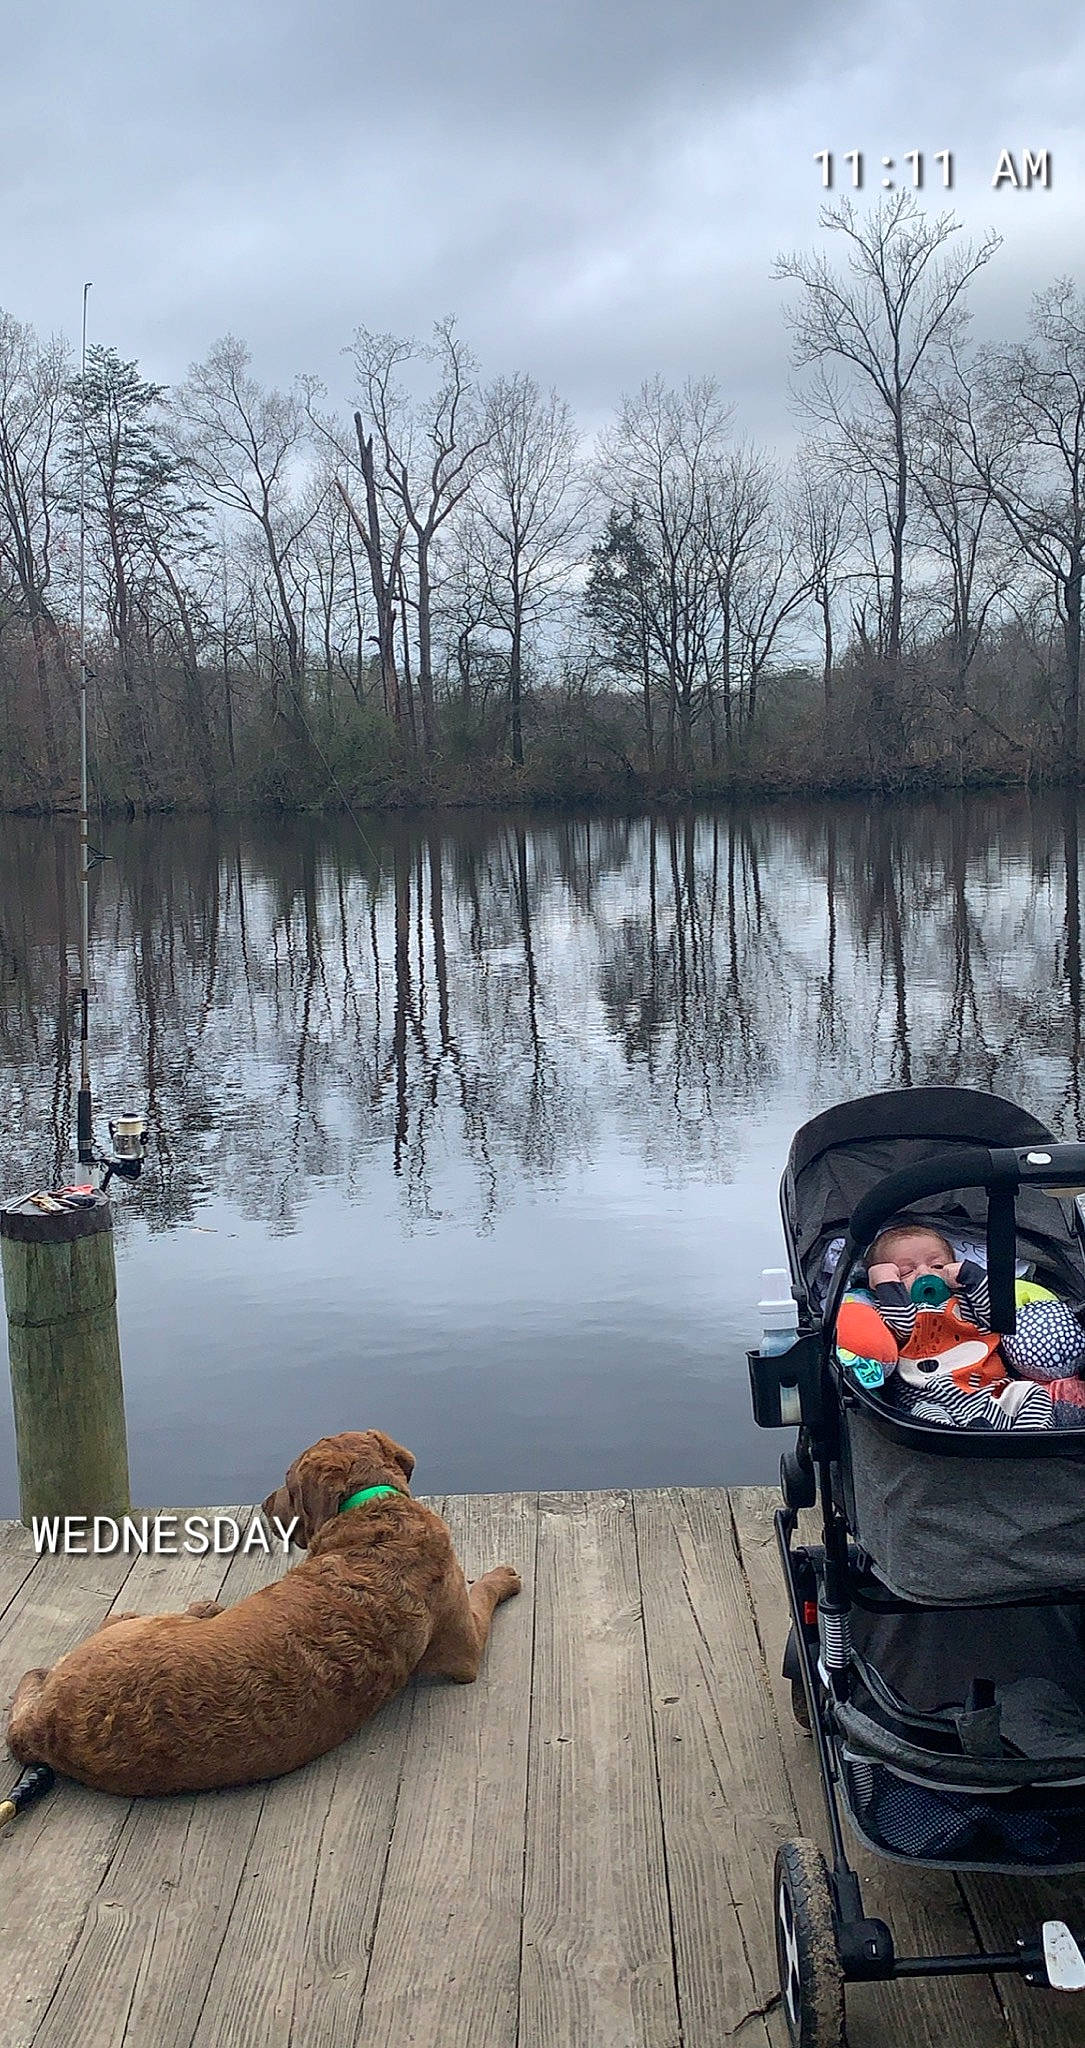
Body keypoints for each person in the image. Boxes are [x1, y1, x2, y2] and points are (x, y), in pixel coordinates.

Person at [859, 1220, 1085, 1429]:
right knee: (925, 1418)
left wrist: (971, 1277)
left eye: (937, 1265)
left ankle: (1026, 1438)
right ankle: (962, 1441)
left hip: (991, 1392)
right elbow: (903, 1326)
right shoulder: (890, 1308)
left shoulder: (964, 1299)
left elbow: (994, 1316)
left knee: (1033, 1394)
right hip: (929, 1399)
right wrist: (887, 1286)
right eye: (905, 1272)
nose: (925, 1273)